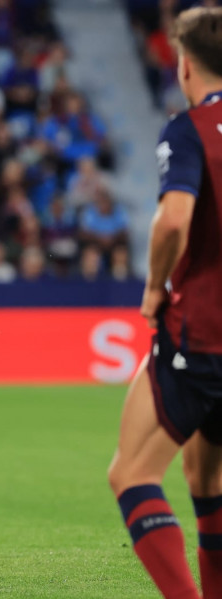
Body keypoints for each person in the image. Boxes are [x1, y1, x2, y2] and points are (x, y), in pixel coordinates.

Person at [107, 8, 222, 598]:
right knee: (205, 480)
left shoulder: (189, 130)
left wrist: (154, 286)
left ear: (184, 66)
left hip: (204, 333)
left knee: (131, 473)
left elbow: (174, 218)